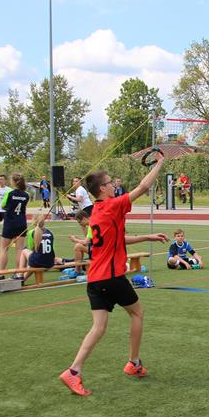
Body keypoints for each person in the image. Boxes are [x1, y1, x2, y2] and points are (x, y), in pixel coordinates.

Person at [59, 158, 169, 397]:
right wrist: (160, 163)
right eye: (109, 183)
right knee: (137, 313)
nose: (113, 185)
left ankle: (73, 371)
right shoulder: (112, 205)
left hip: (95, 279)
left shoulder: (96, 211)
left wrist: (147, 237)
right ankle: (134, 363)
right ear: (102, 188)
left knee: (98, 327)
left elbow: (116, 239)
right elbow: (143, 187)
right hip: (111, 277)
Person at [20, 212, 72, 283]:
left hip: (38, 262)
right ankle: (23, 279)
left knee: (24, 251)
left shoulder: (32, 232)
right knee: (36, 259)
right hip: (50, 262)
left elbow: (31, 248)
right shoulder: (50, 232)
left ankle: (20, 275)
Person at [0, 173, 30, 278]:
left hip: (10, 223)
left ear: (14, 182)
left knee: (4, 248)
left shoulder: (9, 193)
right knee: (19, 249)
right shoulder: (26, 195)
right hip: (21, 223)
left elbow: (3, 205)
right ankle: (19, 273)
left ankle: (1, 274)